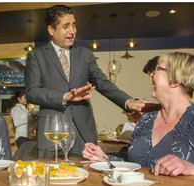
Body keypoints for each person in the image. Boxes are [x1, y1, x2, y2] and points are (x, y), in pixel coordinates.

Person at [25, 5, 145, 159]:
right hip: (52, 132)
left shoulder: (85, 54)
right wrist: (65, 96)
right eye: (66, 26)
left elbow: (103, 83)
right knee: (54, 176)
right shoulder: (37, 56)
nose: (72, 31)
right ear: (51, 30)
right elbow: (32, 92)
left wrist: (128, 102)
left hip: (83, 132)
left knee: (87, 176)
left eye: (74, 25)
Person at [83, 51, 194, 177]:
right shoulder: (146, 119)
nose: (151, 74)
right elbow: (133, 164)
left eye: (158, 69)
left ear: (176, 79)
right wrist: (105, 158)